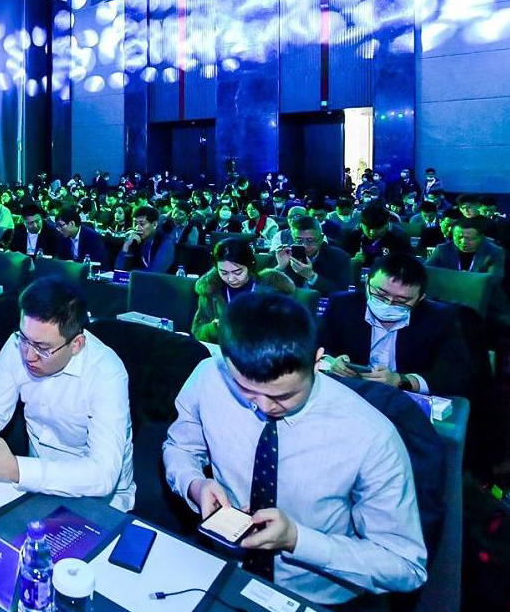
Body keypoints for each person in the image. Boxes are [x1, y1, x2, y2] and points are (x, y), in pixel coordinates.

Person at [164, 291, 427, 605]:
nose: (263, 407)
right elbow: (179, 448)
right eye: (246, 390)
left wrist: (298, 540)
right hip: (223, 567)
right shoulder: (210, 376)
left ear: (317, 360)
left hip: (315, 593)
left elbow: (405, 566)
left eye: (283, 396)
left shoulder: (370, 436)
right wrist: (195, 484)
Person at [0, 278, 136, 510]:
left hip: (98, 499)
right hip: (34, 483)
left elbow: (102, 475)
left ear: (76, 344)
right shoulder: (18, 345)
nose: (28, 355)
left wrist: (16, 469)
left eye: (43, 348)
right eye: (24, 339)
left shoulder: (107, 373)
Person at [319, 252, 472, 398]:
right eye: (380, 294)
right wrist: (331, 363)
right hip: (352, 393)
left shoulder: (441, 318)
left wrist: (401, 380)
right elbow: (316, 347)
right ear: (367, 282)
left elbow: (453, 376)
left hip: (405, 400)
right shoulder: (342, 305)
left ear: (420, 299)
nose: (388, 304)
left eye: (401, 300)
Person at [192, 237, 295, 343]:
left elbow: (289, 332)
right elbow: (197, 331)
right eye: (224, 273)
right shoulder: (211, 290)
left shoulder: (272, 290)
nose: (231, 279)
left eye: (237, 272)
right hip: (221, 350)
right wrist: (215, 328)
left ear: (250, 265)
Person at [272, 216, 351, 295]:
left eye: (310, 240)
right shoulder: (286, 255)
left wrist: (312, 276)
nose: (305, 245)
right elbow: (268, 292)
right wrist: (280, 268)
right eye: (299, 240)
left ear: (321, 239)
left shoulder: (340, 258)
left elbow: (342, 293)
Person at [427, 216, 505, 278]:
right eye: (459, 237)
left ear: (481, 238)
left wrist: (466, 279)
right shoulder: (442, 249)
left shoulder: (494, 252)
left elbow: (494, 279)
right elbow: (427, 271)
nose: (463, 242)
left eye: (470, 238)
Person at [342, 204, 412, 268]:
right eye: (368, 228)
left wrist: (371, 260)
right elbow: (342, 259)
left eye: (377, 229)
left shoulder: (399, 238)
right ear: (361, 224)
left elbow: (406, 263)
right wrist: (353, 260)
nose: (372, 232)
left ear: (386, 224)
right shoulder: (353, 236)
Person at [115, 205, 175, 273]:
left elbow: (155, 272)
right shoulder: (136, 240)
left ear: (154, 224)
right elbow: (118, 267)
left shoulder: (166, 242)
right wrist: (126, 246)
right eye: (135, 224)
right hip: (135, 278)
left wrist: (132, 272)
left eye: (142, 224)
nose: (137, 228)